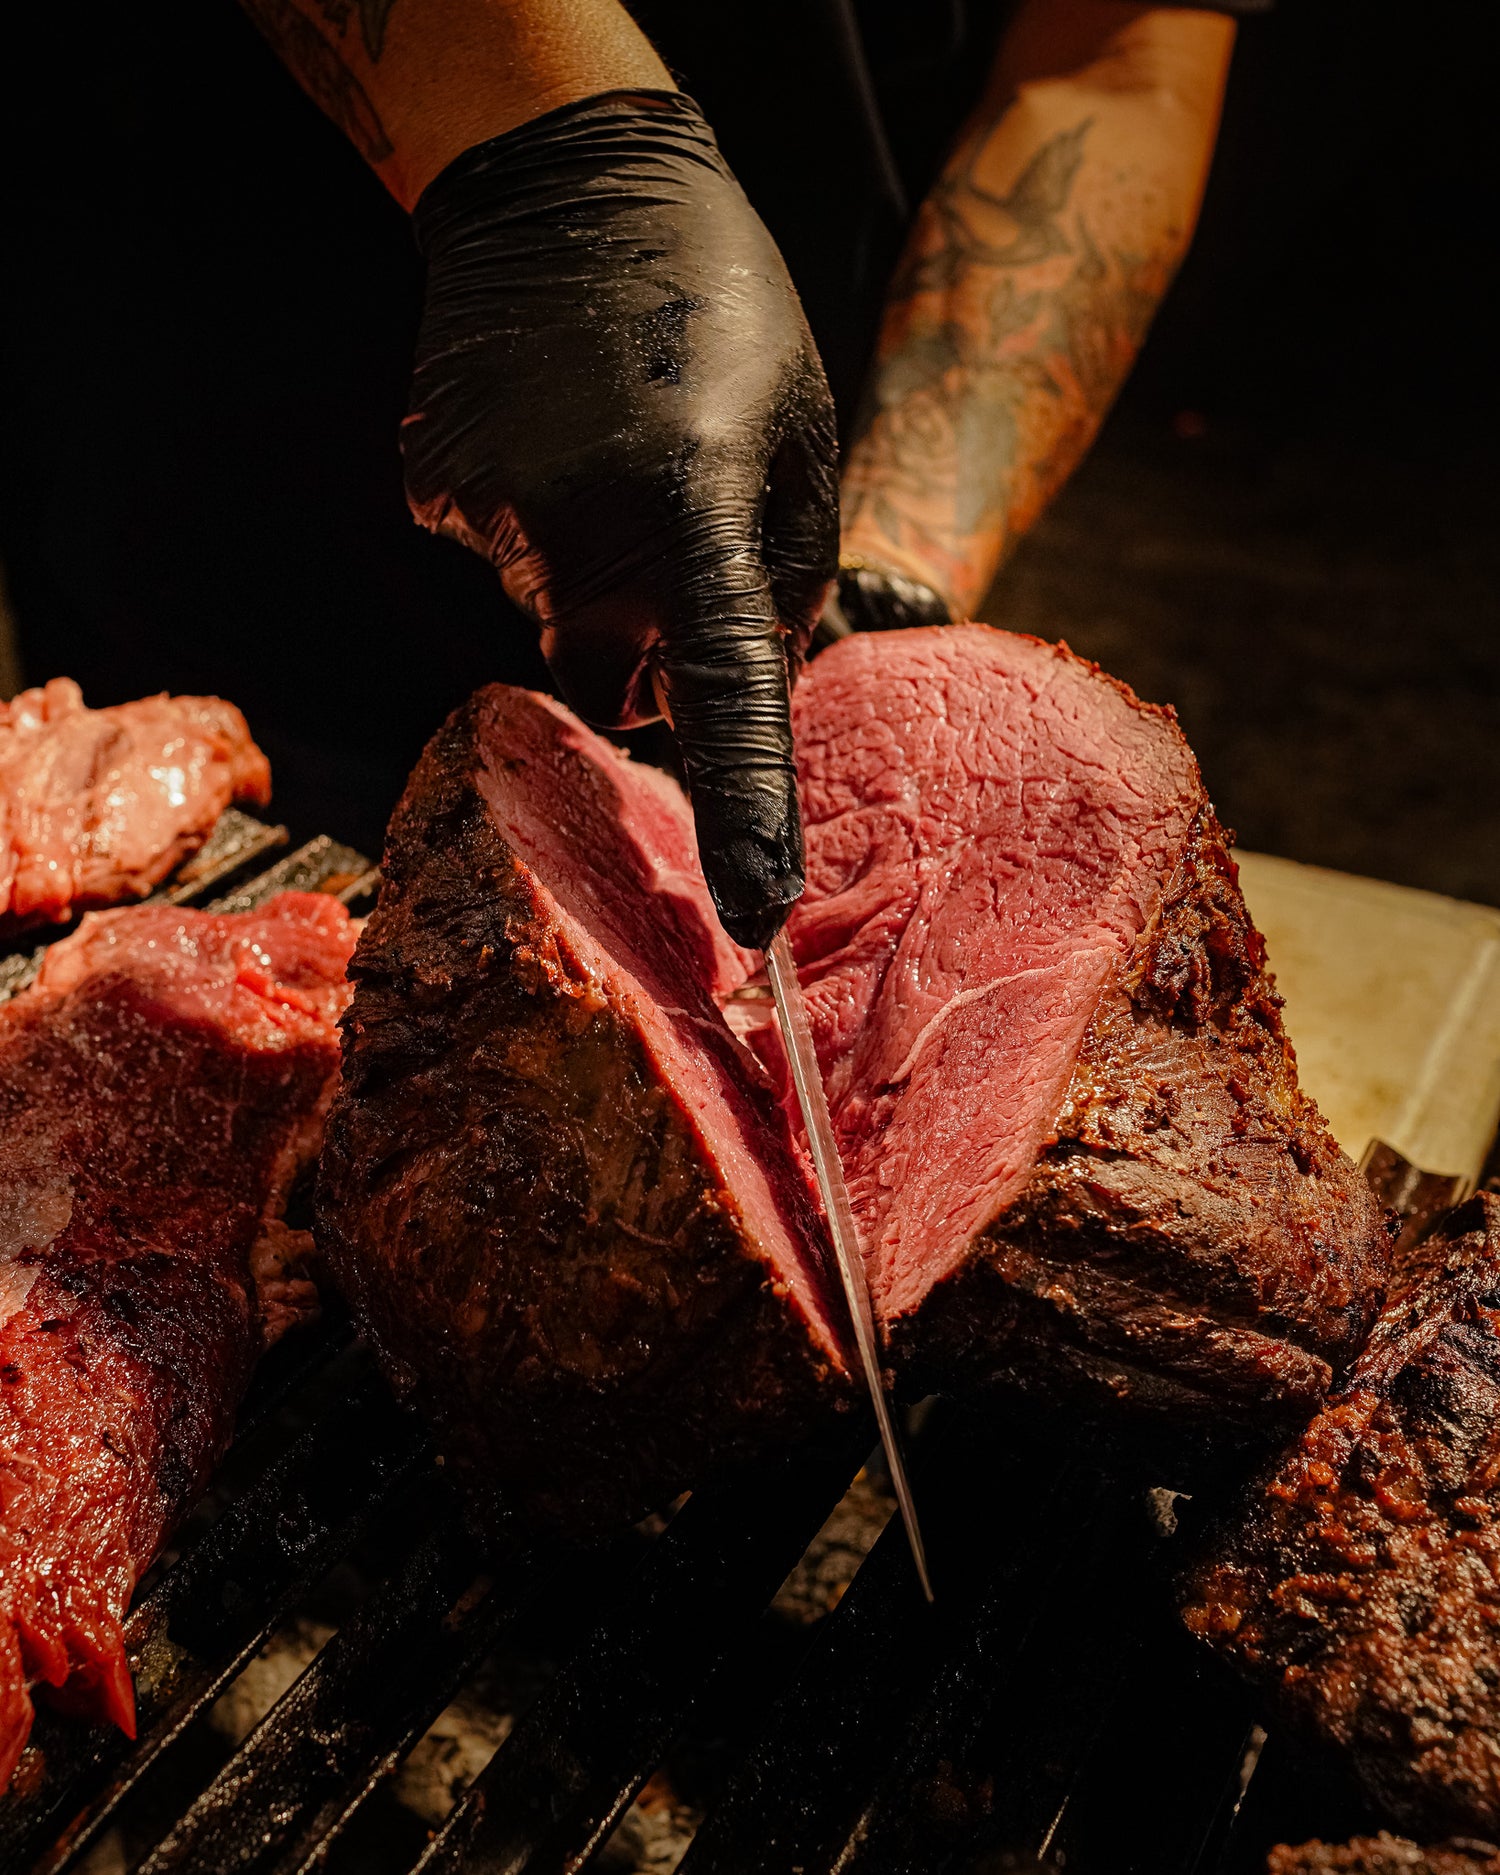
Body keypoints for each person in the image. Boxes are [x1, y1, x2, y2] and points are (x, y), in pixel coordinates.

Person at [0, 0, 1244, 946]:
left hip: (747, 523)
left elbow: (1112, 68)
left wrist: (894, 560)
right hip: (229, 459)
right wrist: (553, 156)